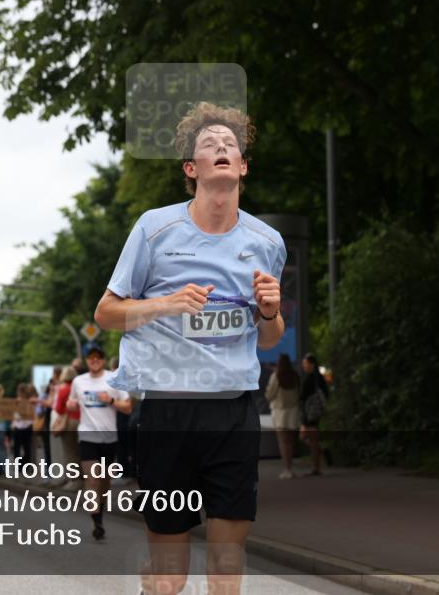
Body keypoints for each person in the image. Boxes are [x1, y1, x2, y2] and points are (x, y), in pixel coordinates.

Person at [94, 102, 286, 595]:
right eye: (209, 145)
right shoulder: (156, 230)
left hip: (232, 412)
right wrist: (165, 304)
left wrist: (269, 312)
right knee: (170, 579)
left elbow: (268, 339)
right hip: (168, 413)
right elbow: (107, 312)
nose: (222, 148)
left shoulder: (267, 243)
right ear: (191, 168)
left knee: (225, 571)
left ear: (242, 165)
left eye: (230, 145)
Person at [66, 346, 131, 540]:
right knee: (92, 479)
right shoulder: (78, 381)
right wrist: (70, 405)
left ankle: (99, 511)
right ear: (86, 360)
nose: (95, 361)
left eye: (99, 358)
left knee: (104, 482)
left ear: (103, 360)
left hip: (109, 437)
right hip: (87, 435)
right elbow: (71, 402)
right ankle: (96, 521)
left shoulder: (114, 379)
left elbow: (127, 408)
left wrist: (110, 400)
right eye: (91, 358)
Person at [266, 354, 300, 479]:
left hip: (280, 411)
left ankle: (286, 469)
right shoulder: (295, 375)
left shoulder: (276, 376)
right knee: (290, 442)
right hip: (293, 411)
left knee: (282, 441)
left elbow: (270, 394)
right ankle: (291, 468)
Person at [298, 353, 329, 476]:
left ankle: (317, 466)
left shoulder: (310, 378)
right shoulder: (319, 377)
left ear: (312, 364)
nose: (304, 366)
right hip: (316, 411)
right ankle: (321, 456)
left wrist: (304, 420)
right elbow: (325, 393)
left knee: (310, 439)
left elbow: (303, 397)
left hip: (309, 412)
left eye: (305, 364)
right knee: (311, 438)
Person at [52, 364, 81, 490]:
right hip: (83, 421)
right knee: (80, 450)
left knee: (70, 451)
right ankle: (85, 478)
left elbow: (58, 409)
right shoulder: (80, 387)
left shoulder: (63, 389)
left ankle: (75, 480)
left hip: (69, 422)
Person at [11, 383, 35, 467]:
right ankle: (24, 464)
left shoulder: (21, 401)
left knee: (19, 448)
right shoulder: (28, 400)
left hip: (20, 426)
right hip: (25, 426)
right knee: (25, 447)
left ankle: (20, 465)